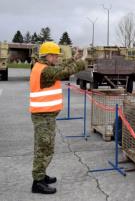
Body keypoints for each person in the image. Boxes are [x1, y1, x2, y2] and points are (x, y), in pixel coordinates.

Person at [30, 42, 85, 194]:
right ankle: (37, 182)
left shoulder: (43, 67)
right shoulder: (44, 71)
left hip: (46, 115)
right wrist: (82, 62)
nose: (57, 58)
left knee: (47, 147)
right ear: (47, 56)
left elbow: (60, 67)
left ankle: (41, 175)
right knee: (43, 148)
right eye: (54, 55)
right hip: (43, 116)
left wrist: (73, 58)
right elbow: (62, 72)